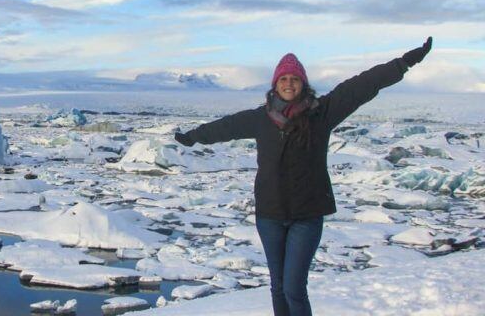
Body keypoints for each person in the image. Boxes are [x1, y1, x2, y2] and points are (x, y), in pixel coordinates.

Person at [174, 37, 433, 316]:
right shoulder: (260, 118)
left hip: (307, 214)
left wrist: (404, 62)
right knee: (277, 286)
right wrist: (192, 137)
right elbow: (224, 127)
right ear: (275, 84)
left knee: (294, 288)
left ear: (303, 83)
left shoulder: (321, 113)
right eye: (283, 78)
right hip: (270, 214)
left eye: (294, 78)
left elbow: (361, 86)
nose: (288, 83)